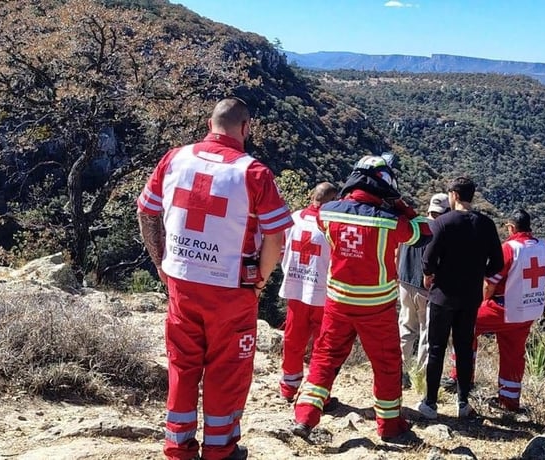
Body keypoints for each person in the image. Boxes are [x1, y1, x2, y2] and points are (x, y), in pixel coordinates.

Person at [137, 97, 291, 460]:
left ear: (210, 122)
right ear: (245, 127)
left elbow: (146, 213)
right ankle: (220, 450)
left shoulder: (174, 158)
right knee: (227, 369)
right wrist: (261, 280)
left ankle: (178, 446)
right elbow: (275, 237)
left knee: (182, 363)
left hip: (181, 282)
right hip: (231, 288)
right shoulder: (253, 172)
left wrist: (161, 261)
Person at [292, 154, 432, 441]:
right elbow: (423, 231)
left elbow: (327, 216)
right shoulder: (391, 222)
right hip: (376, 306)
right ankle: (389, 426)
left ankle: (305, 416)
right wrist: (401, 205)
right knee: (386, 365)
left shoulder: (328, 213)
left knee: (324, 358)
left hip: (338, 301)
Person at [417, 177, 504, 419]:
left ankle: (430, 403)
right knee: (464, 349)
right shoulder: (486, 225)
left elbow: (428, 258)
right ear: (471, 196)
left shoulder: (442, 223)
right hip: (470, 298)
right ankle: (463, 402)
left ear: (453, 195)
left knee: (436, 348)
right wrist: (480, 273)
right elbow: (497, 263)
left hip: (442, 296)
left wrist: (429, 275)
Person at [467, 209, 545, 411]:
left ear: (511, 227)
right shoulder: (544, 247)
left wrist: (479, 301)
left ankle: (461, 378)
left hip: (504, 308)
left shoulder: (509, 248)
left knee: (464, 324)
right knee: (513, 354)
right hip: (530, 309)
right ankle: (509, 400)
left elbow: (490, 283)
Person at [277, 182, 339, 402]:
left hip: (295, 289)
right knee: (323, 346)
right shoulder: (331, 225)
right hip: (322, 293)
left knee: (293, 341)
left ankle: (288, 388)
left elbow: (280, 250)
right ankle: (319, 394)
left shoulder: (293, 219)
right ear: (331, 201)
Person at [397, 193, 450, 389]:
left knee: (406, 327)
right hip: (425, 287)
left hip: (404, 282)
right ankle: (422, 376)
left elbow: (398, 252)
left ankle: (399, 372)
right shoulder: (439, 230)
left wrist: (398, 277)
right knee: (428, 331)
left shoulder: (412, 224)